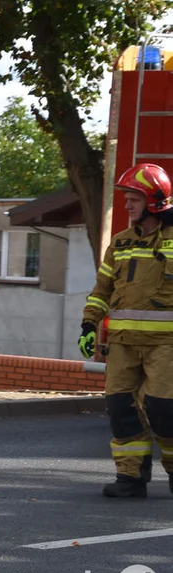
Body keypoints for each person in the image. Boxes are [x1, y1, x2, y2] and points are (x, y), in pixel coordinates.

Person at [80, 162, 173, 498]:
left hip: (167, 345)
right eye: (127, 198)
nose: (127, 205)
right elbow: (103, 289)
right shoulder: (120, 242)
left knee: (164, 411)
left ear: (154, 201)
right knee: (121, 408)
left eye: (134, 199)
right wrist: (89, 323)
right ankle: (131, 479)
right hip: (122, 344)